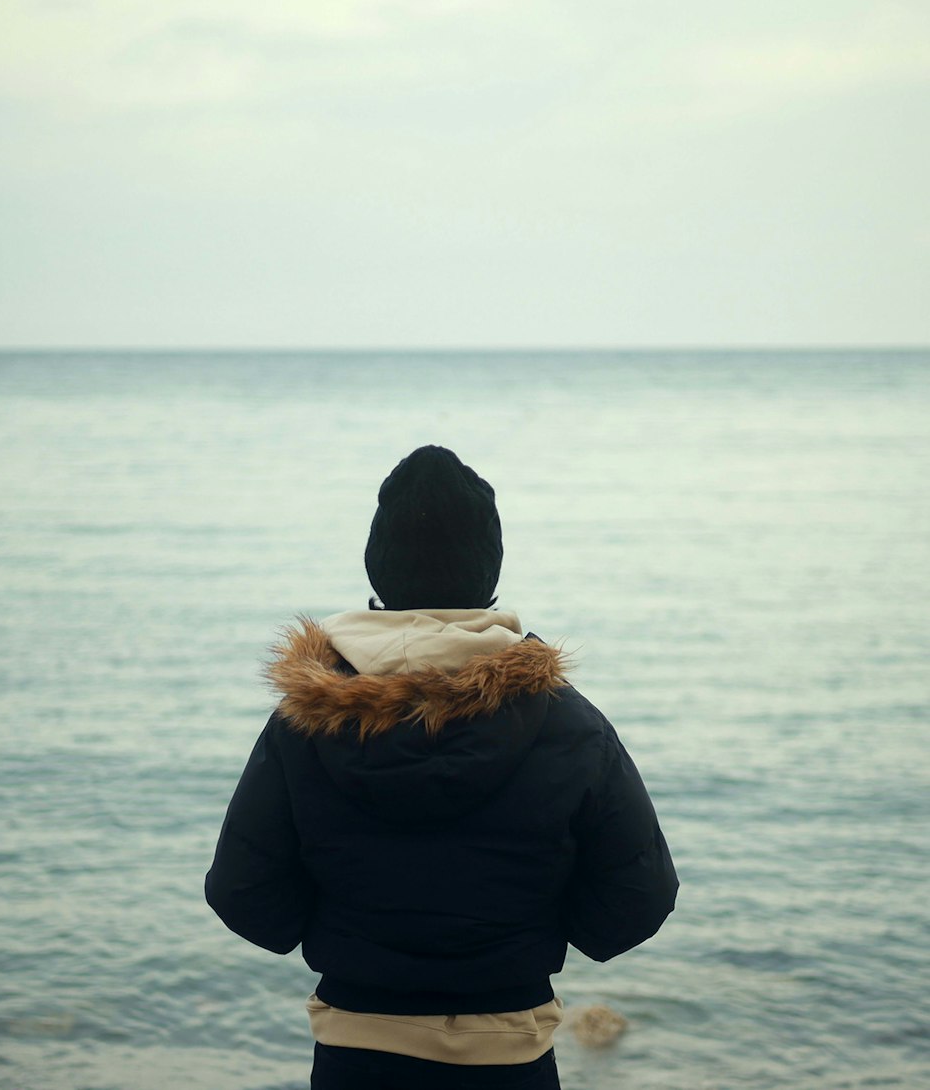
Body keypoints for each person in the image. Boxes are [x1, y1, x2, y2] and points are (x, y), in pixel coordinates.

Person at [205, 445, 678, 1089]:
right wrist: (532, 934)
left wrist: (342, 935)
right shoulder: (568, 721)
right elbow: (637, 899)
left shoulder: (306, 719)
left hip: (354, 1054)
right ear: (490, 573)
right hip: (511, 1057)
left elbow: (244, 894)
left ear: (378, 568)